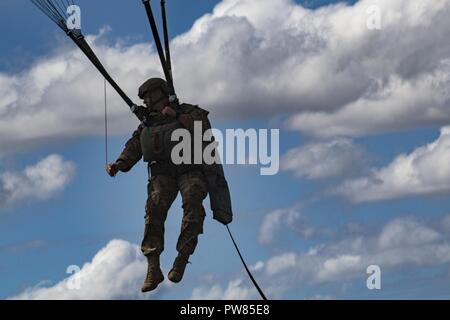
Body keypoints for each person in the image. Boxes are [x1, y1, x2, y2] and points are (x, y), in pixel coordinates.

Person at [106, 78, 214, 292]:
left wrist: (176, 116)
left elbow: (202, 131)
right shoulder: (148, 123)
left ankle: (182, 258)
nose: (146, 101)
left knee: (193, 201)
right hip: (162, 172)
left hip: (189, 169)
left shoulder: (189, 112)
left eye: (149, 95)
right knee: (154, 208)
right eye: (144, 98)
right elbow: (135, 145)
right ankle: (153, 267)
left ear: (162, 93)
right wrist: (119, 164)